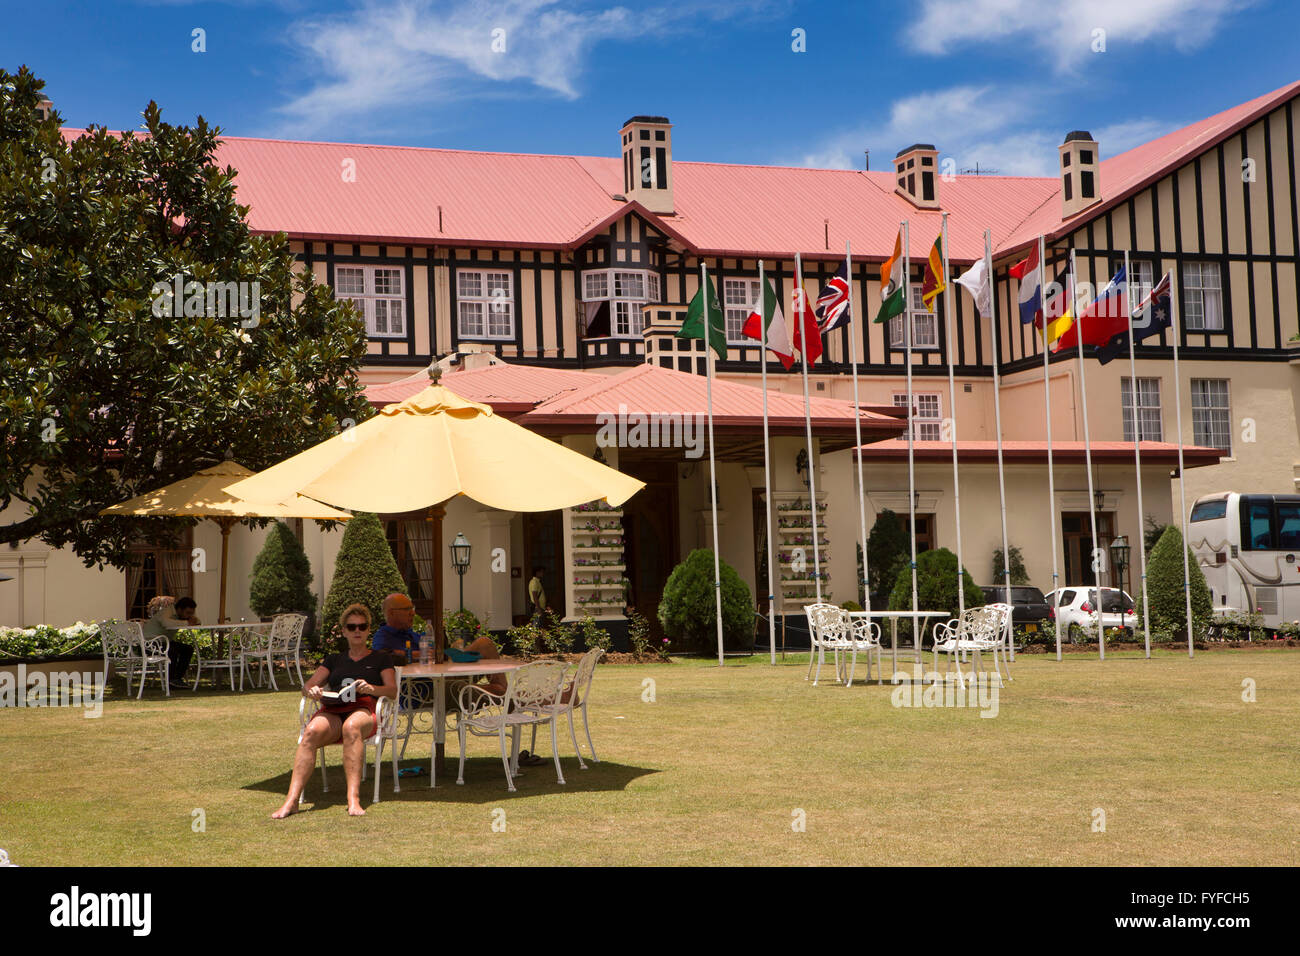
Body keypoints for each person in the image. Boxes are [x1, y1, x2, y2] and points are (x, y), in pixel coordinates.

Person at [272, 604, 396, 818]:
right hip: (334, 708)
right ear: (344, 631)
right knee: (310, 732)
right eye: (352, 626)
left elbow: (392, 691)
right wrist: (314, 691)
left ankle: (353, 799)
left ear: (368, 630)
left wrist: (372, 688)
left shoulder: (381, 658)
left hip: (364, 708)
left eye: (362, 626)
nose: (357, 630)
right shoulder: (334, 659)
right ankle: (291, 801)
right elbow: (307, 687)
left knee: (352, 727)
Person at [140, 595, 196, 689]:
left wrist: (193, 620)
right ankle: (171, 680)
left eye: (191, 613)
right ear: (179, 609)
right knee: (171, 650)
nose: (189, 615)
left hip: (163, 642)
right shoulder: (167, 612)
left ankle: (177, 678)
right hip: (150, 644)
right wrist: (187, 622)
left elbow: (197, 620)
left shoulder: (180, 616)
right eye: (188, 613)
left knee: (187, 649)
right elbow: (166, 623)